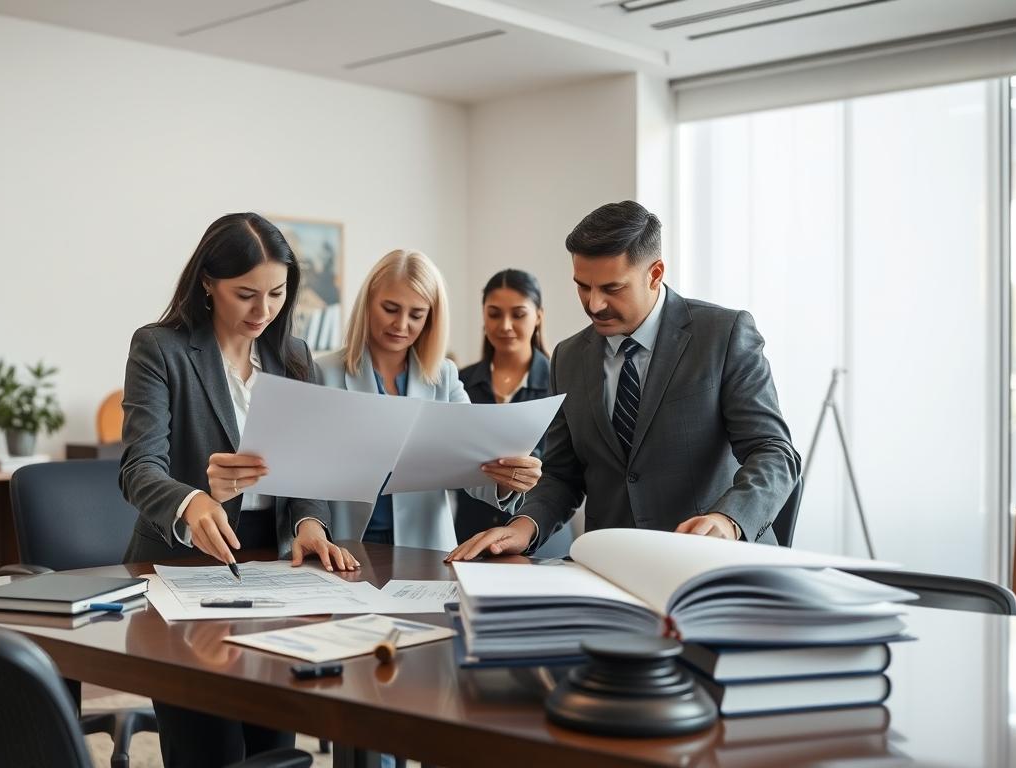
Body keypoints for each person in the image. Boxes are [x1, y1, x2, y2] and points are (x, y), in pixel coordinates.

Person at [119, 212, 357, 768]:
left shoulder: (293, 358)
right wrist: (193, 498)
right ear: (207, 281)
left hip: (276, 573)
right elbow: (138, 467)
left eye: (276, 293)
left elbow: (309, 473)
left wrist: (311, 525)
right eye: (245, 294)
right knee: (209, 750)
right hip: (180, 565)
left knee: (273, 747)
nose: (263, 310)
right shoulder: (161, 348)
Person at [448, 201, 800, 561]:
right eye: (582, 286)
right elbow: (562, 477)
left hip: (711, 564)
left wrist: (728, 520)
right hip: (610, 569)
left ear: (655, 273)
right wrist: (522, 527)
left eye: (611, 288)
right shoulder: (568, 358)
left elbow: (774, 452)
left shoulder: (723, 335)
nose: (594, 304)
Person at [316, 249, 543, 550]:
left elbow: (473, 465)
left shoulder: (443, 377)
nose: (401, 325)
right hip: (345, 543)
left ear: (431, 318)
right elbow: (309, 474)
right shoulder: (323, 372)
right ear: (368, 304)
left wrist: (506, 478)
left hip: (424, 547)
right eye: (390, 308)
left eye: (416, 314)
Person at [453, 269, 555, 545]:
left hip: (541, 541)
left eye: (518, 314)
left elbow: (568, 471)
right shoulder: (459, 383)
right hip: (470, 537)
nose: (506, 325)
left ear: (539, 317)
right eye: (495, 314)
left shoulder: (560, 383)